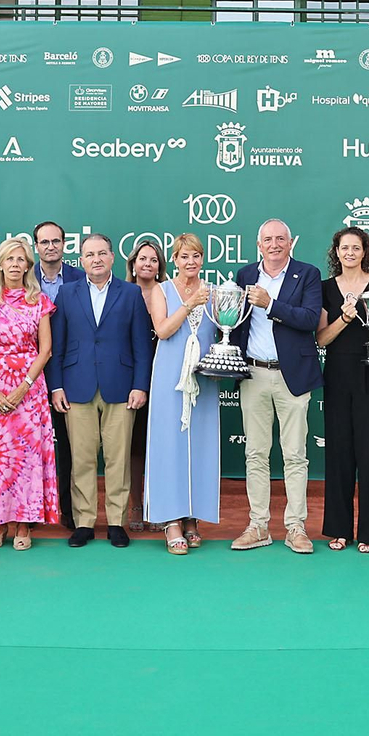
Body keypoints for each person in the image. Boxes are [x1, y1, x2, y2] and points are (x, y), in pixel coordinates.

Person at [47, 233, 153, 547]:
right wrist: (56, 386)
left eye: (102, 253)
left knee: (118, 459)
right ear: (80, 260)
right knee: (81, 459)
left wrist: (140, 385)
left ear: (112, 258)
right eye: (90, 254)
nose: (96, 259)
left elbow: (141, 347)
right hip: (76, 386)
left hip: (121, 387)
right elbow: (57, 345)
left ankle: (117, 523)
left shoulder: (131, 293)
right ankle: (84, 522)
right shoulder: (66, 294)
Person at [229, 218, 323, 554]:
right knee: (255, 453)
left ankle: (296, 527)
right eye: (267, 239)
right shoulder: (244, 275)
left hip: (292, 376)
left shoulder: (307, 274)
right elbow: (234, 322)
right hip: (253, 374)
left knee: (295, 455)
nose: (274, 245)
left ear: (290, 242)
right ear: (259, 244)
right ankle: (258, 526)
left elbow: (310, 319)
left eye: (280, 239)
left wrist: (270, 304)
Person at [0, 238, 59, 549]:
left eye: (22, 259)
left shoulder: (39, 302)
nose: (16, 265)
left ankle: (23, 524)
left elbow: (45, 349)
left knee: (26, 458)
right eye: (10, 259)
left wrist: (23, 386)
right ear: (0, 265)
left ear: (28, 266)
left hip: (29, 388)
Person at [318, 227, 369, 553]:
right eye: (344, 248)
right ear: (336, 253)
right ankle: (338, 530)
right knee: (338, 454)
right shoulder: (325, 289)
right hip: (337, 373)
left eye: (356, 247)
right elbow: (321, 339)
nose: (350, 253)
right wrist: (344, 317)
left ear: (366, 251)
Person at [142, 234, 218, 554]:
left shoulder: (214, 292)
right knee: (168, 446)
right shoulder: (162, 290)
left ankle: (192, 518)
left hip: (204, 378)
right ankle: (170, 521)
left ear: (202, 259)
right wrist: (189, 304)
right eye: (184, 256)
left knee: (201, 446)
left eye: (196, 256)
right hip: (169, 375)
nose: (191, 262)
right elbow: (162, 330)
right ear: (174, 259)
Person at [33, 219, 84, 530]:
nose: (50, 247)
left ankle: (69, 510)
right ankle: (32, 510)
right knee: (31, 445)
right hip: (29, 372)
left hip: (70, 370)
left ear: (64, 245)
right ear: (36, 246)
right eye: (44, 242)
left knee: (68, 445)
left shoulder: (80, 277)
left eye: (56, 241)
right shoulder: (21, 278)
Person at [125, 238, 166, 530]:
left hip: (164, 375)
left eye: (153, 259)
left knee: (160, 445)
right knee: (135, 445)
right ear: (133, 264)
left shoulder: (169, 293)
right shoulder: (124, 294)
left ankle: (157, 505)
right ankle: (135, 505)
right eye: (143, 258)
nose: (147, 264)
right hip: (132, 378)